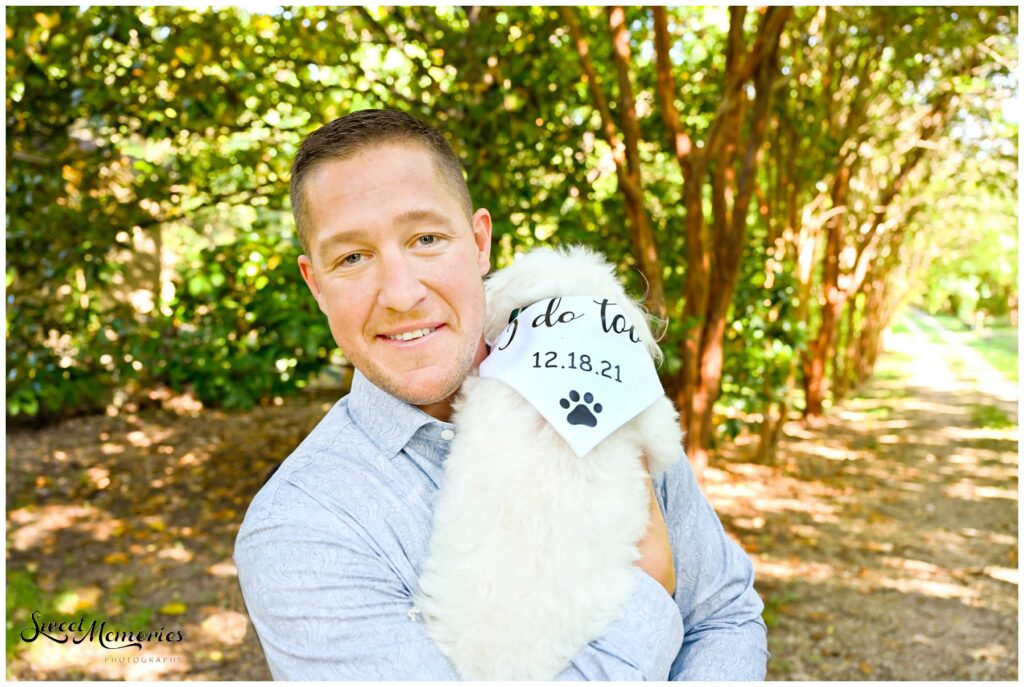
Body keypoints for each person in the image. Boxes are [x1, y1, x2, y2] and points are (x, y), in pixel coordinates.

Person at [234, 109, 769, 680]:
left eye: (426, 238)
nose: (400, 293)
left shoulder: (588, 373)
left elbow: (724, 616)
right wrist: (646, 588)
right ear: (315, 284)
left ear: (480, 241)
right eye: (352, 258)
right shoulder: (299, 531)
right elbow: (678, 600)